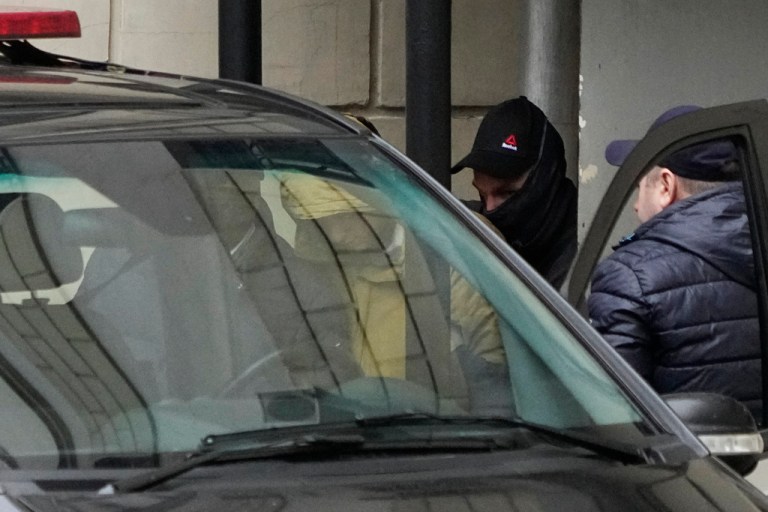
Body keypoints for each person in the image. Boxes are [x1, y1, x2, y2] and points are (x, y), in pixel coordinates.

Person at [587, 105, 762, 421]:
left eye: (641, 184)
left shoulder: (628, 277)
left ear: (666, 186)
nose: (637, 207)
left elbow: (613, 417)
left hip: (688, 468)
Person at [451, 96, 577, 289]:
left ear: (545, 183)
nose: (491, 208)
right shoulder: (472, 223)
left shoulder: (581, 256)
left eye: (507, 194)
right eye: (482, 195)